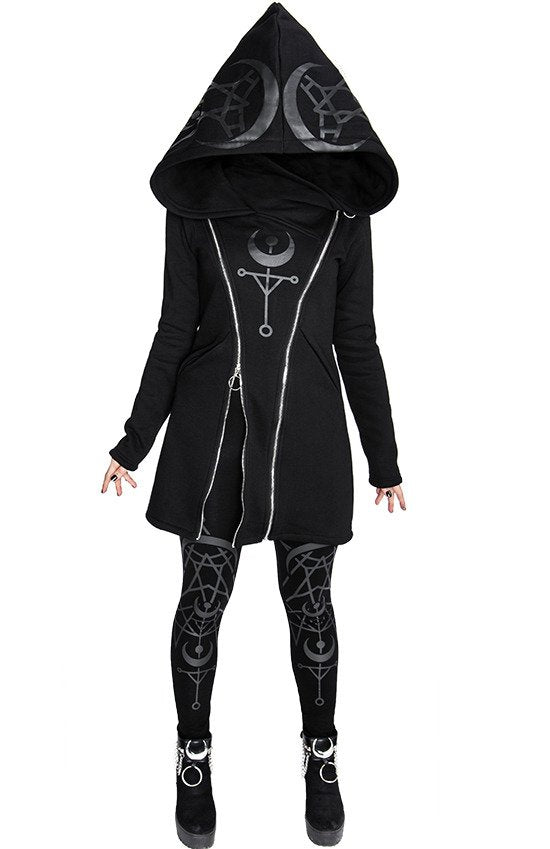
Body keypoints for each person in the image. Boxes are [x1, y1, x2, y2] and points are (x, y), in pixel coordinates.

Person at [102, 4, 405, 846]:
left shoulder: (345, 217)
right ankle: (192, 757)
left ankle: (321, 757)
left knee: (310, 604)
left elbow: (355, 338)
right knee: (203, 600)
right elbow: (175, 329)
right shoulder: (195, 209)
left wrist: (384, 456)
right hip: (213, 435)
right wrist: (134, 440)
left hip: (308, 434)